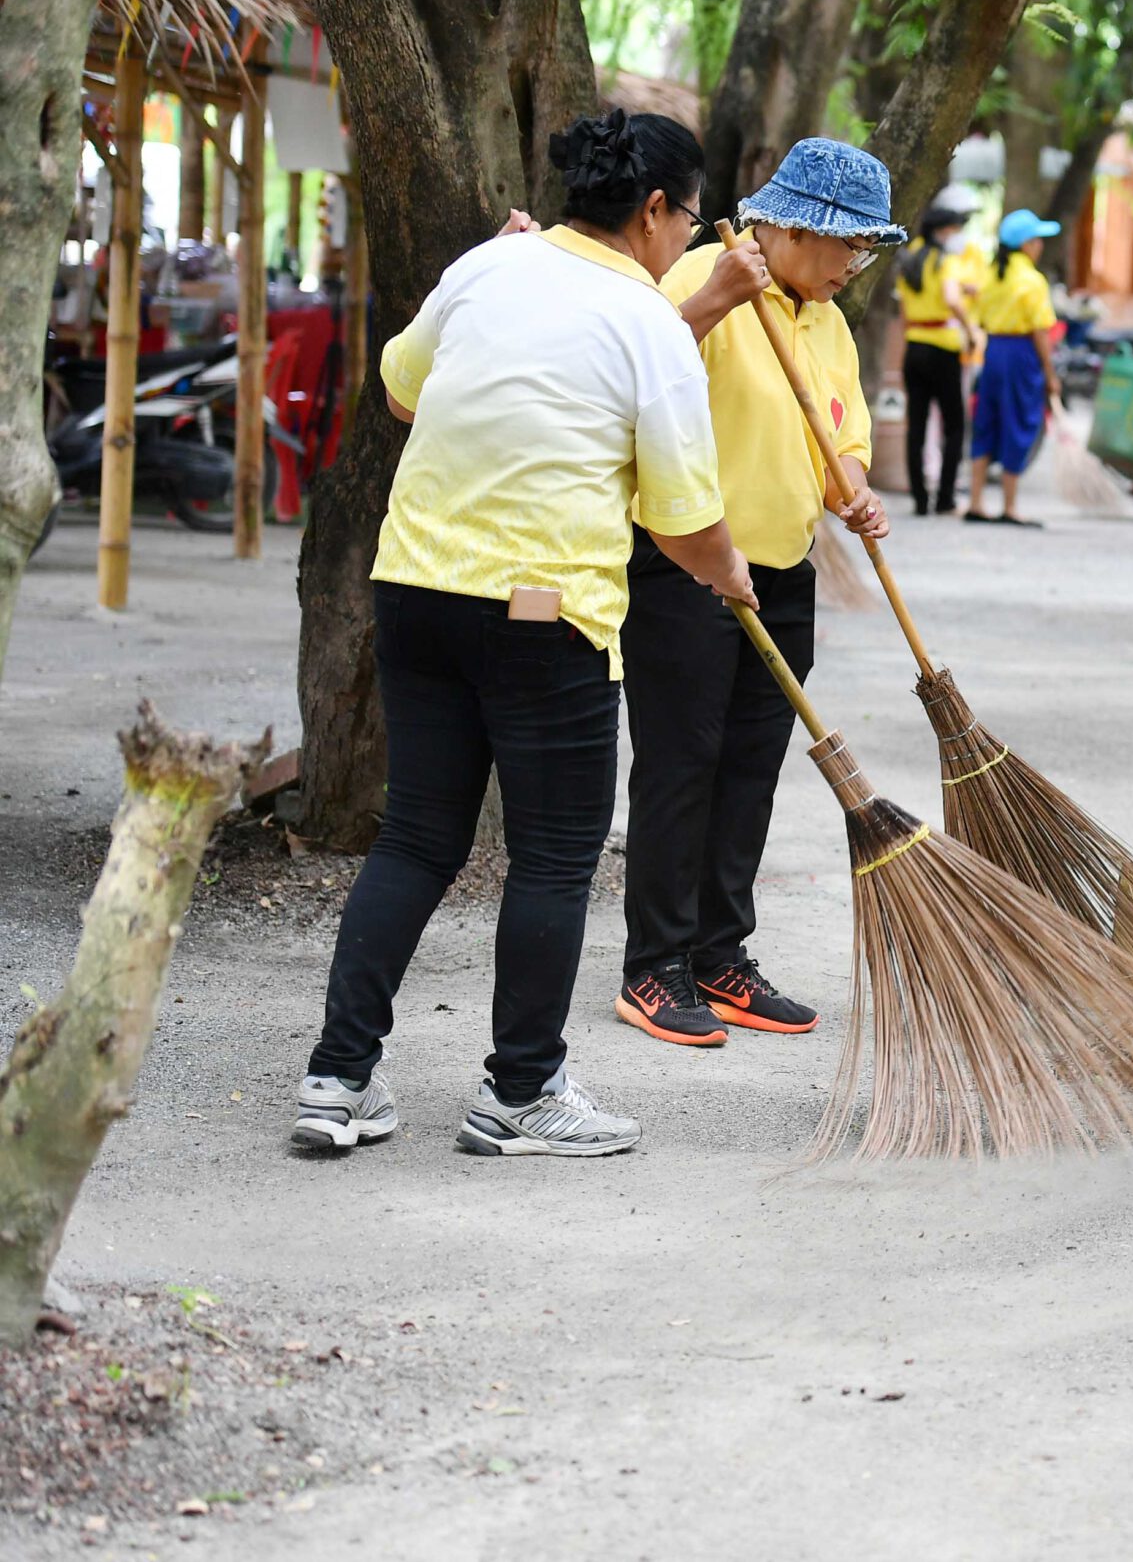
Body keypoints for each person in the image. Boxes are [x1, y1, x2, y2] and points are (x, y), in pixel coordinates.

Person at [292, 110, 752, 1159]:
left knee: (416, 839)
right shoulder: (647, 322)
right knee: (552, 857)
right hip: (544, 614)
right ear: (653, 210)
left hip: (415, 589)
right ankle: (522, 1091)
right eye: (688, 222)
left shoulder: (487, 265)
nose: (685, 242)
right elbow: (682, 520)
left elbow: (401, 392)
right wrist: (729, 572)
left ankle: (337, 1078)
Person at [617, 138, 902, 1048]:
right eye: (849, 244)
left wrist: (853, 488)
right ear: (793, 228)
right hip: (687, 564)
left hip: (782, 570)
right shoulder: (701, 276)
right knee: (681, 762)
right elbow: (637, 378)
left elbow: (841, 438)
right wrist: (715, 301)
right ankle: (653, 965)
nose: (855, 265)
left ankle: (718, 952)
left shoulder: (828, 321)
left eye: (866, 250)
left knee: (749, 767)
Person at [963, 208, 1063, 528]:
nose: (1040, 246)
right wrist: (1050, 375)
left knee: (986, 422)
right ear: (1026, 245)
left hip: (993, 352)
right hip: (1021, 354)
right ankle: (1009, 506)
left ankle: (976, 502)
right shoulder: (1032, 281)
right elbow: (1040, 332)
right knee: (1017, 422)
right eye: (1037, 240)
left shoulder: (990, 276)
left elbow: (980, 318)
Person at [896, 202, 982, 516]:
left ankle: (920, 499)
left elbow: (903, 309)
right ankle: (945, 498)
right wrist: (970, 328)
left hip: (914, 345)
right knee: (954, 425)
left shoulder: (910, 257)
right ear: (943, 231)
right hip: (943, 348)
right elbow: (950, 298)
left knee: (916, 426)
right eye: (956, 229)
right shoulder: (946, 260)